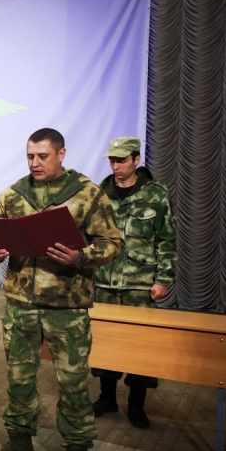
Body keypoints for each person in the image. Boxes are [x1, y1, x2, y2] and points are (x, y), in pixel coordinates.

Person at [0, 128, 123, 451]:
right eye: (30, 156)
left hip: (67, 309)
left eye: (42, 156)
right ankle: (19, 443)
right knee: (18, 380)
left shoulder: (87, 194)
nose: (34, 162)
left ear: (61, 154)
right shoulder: (13, 194)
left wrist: (81, 256)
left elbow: (112, 243)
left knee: (73, 386)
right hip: (21, 306)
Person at [91, 137, 177, 429]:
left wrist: (164, 279)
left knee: (141, 348)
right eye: (112, 160)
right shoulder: (100, 193)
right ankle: (107, 399)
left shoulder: (156, 194)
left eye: (122, 160)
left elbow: (166, 239)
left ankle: (136, 405)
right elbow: (92, 238)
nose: (115, 166)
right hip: (106, 281)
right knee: (106, 345)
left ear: (136, 160)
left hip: (140, 284)